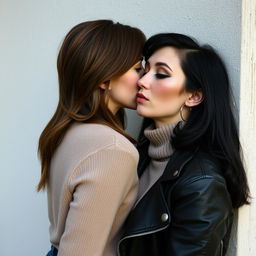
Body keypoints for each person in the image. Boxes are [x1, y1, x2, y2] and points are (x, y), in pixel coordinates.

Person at [118, 33, 250, 256]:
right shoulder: (137, 155)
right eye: (145, 69)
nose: (142, 81)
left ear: (194, 97)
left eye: (160, 74)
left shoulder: (201, 183)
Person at [37, 20, 145, 256]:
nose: (145, 79)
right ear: (104, 79)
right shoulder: (112, 149)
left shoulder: (66, 130)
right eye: (138, 68)